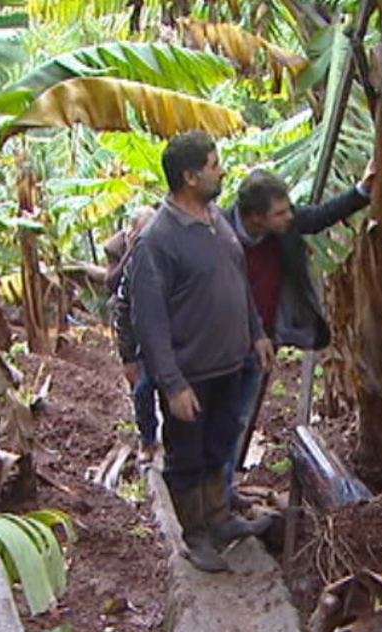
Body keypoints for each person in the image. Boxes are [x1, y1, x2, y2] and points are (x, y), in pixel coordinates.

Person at [127, 131, 273, 573]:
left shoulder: (215, 219)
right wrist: (172, 385)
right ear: (190, 177)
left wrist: (257, 332)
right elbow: (149, 321)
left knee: (220, 446)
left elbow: (238, 282)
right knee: (187, 458)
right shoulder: (159, 239)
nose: (222, 170)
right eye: (214, 164)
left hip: (230, 364)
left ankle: (219, 518)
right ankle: (194, 534)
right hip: (192, 374)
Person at [226, 168, 373, 492]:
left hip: (263, 341)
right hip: (223, 345)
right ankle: (208, 500)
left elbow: (319, 216)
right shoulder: (218, 233)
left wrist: (362, 189)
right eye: (280, 213)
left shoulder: (282, 228)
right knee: (218, 422)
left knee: (238, 419)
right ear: (255, 217)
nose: (289, 217)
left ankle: (225, 495)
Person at [105, 206, 160, 459]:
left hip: (172, 339)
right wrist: (128, 357)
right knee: (142, 390)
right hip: (144, 342)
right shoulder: (124, 255)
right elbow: (121, 304)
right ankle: (147, 440)